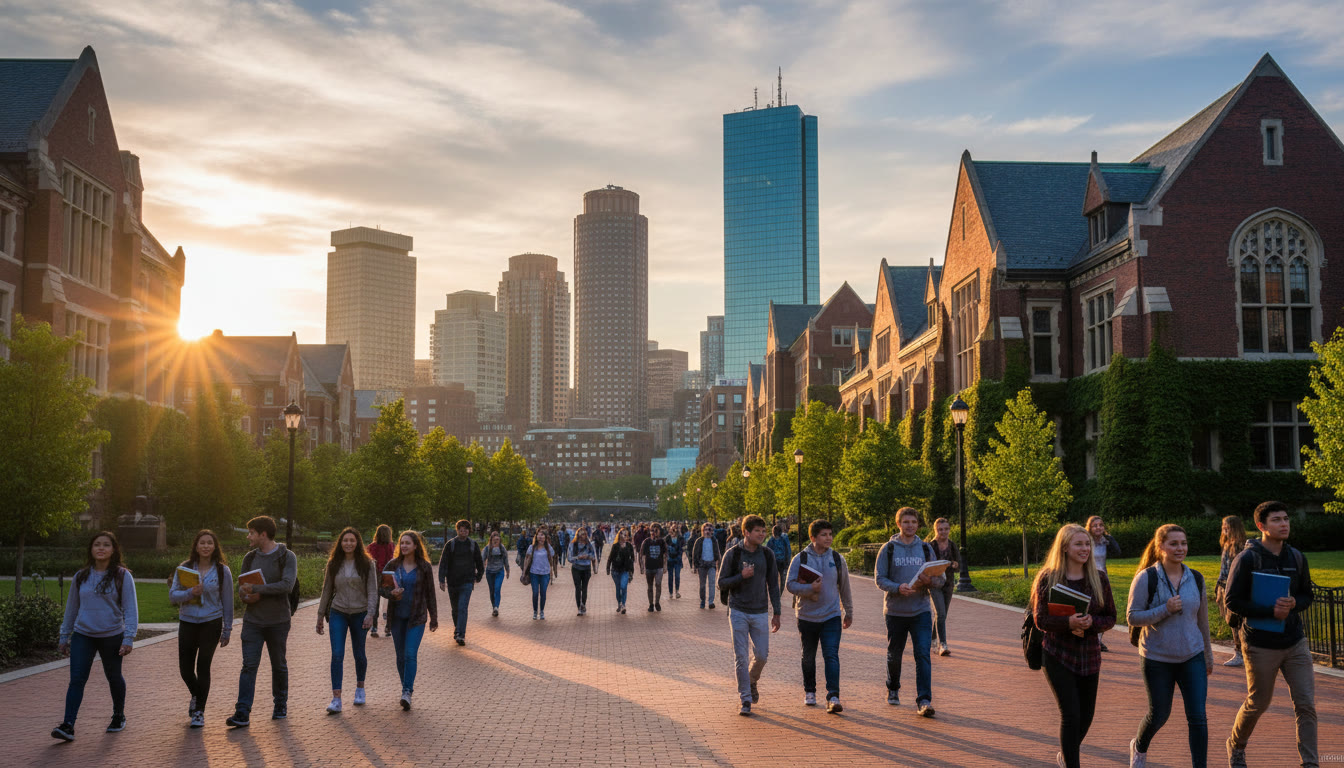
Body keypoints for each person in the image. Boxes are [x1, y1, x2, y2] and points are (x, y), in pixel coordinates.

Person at [1224, 501, 1317, 768]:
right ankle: (1236, 744)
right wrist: (1270, 610)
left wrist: (1293, 605)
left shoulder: (1297, 557)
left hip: (1295, 641)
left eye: (1286, 518)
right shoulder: (1247, 558)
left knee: (1306, 705)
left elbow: (1306, 596)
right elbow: (1232, 601)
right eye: (1277, 520)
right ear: (1261, 526)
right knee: (1258, 703)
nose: (1284, 523)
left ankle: (1310, 763)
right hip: (1260, 644)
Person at [1126, 524, 1213, 768]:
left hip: (1192, 656)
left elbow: (1202, 620)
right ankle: (1139, 747)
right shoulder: (1147, 577)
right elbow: (1132, 617)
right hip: (1157, 658)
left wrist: (1208, 654)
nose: (1180, 548)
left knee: (1198, 718)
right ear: (1160, 546)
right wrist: (1165, 609)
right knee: (1159, 715)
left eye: (1183, 543)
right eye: (1173, 544)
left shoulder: (1195, 577)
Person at [1031, 523, 1117, 768]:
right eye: (1079, 544)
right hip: (1057, 653)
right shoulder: (1049, 578)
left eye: (1087, 543)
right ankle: (1072, 763)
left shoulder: (1098, 578)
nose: (1085, 548)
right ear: (1065, 547)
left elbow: (1111, 617)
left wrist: (1092, 623)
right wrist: (1068, 622)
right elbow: (1041, 620)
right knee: (1071, 715)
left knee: (1086, 717)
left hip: (1089, 655)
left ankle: (1067, 753)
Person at [52, 531, 138, 742]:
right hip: (83, 635)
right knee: (77, 680)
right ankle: (68, 725)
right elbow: (71, 608)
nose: (101, 548)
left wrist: (128, 638)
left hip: (112, 635)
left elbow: (131, 609)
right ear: (91, 549)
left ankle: (118, 715)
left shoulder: (122, 575)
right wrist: (64, 635)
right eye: (97, 545)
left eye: (106, 545)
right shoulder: (81, 576)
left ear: (113, 549)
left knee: (113, 676)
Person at [227, 516, 298, 729]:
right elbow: (242, 587)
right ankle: (242, 712)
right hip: (253, 622)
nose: (248, 537)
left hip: (278, 621)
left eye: (251, 533)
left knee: (279, 665)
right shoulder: (249, 558)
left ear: (263, 534)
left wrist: (256, 589)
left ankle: (280, 705)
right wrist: (245, 595)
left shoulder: (287, 556)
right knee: (249, 665)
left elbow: (287, 585)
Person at [875, 507, 944, 717]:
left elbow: (941, 580)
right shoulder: (888, 548)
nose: (910, 525)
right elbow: (879, 579)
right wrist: (898, 587)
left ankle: (924, 700)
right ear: (899, 524)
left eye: (913, 522)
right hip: (895, 611)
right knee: (894, 654)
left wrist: (929, 581)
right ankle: (893, 687)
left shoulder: (925, 549)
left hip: (921, 610)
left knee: (922, 654)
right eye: (906, 522)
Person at [786, 519, 854, 714]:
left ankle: (833, 696)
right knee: (808, 655)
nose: (828, 538)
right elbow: (790, 585)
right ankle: (810, 691)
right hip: (807, 616)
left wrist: (848, 611)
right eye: (824, 535)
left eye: (830, 534)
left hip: (832, 615)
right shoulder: (801, 559)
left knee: (831, 655)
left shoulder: (838, 559)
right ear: (813, 537)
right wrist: (810, 588)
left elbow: (845, 588)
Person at [718, 514, 782, 716]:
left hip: (760, 611)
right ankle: (745, 698)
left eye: (764, 531)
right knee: (741, 657)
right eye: (758, 531)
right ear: (746, 532)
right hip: (738, 610)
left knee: (762, 655)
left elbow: (773, 584)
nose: (762, 534)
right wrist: (741, 576)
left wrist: (777, 612)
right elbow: (721, 583)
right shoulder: (733, 554)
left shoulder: (767, 554)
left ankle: (752, 680)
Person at [170, 529, 233, 728]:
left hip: (211, 622)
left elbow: (228, 601)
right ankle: (197, 695)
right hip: (188, 622)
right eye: (202, 543)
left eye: (209, 543)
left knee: (203, 666)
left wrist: (227, 629)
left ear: (215, 547)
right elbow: (173, 596)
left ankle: (199, 712)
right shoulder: (185, 568)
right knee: (185, 670)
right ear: (196, 546)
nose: (206, 546)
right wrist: (190, 592)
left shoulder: (223, 571)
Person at [316, 527, 378, 714]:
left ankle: (360, 688)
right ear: (340, 543)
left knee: (359, 653)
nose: (348, 543)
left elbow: (373, 591)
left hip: (360, 613)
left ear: (358, 543)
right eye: (345, 540)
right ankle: (336, 699)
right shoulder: (334, 563)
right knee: (337, 654)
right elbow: (326, 590)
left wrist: (370, 614)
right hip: (338, 611)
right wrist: (320, 616)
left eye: (352, 540)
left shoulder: (367, 564)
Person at [382, 530, 438, 710]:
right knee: (400, 656)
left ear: (415, 545)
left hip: (417, 617)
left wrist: (434, 617)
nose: (404, 546)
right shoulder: (393, 565)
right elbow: (382, 589)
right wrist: (391, 593)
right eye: (402, 543)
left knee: (410, 653)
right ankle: (404, 688)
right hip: (397, 617)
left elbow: (430, 593)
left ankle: (407, 691)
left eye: (408, 543)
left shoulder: (424, 567)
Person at [437, 520, 484, 646]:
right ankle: (458, 629)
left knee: (462, 607)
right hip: (452, 581)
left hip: (467, 582)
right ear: (457, 530)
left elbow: (480, 562)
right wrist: (441, 579)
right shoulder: (450, 544)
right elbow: (443, 562)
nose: (463, 532)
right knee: (455, 609)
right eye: (461, 529)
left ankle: (460, 634)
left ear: (469, 531)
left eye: (466, 529)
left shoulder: (473, 545)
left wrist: (478, 576)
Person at [1216, 515, 1249, 667]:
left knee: (1235, 621)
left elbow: (1233, 570)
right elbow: (1224, 569)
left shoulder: (1238, 546)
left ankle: (1240, 652)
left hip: (1233, 588)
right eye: (1223, 527)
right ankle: (1241, 651)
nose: (1224, 530)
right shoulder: (1228, 544)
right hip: (1226, 586)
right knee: (1233, 621)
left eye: (1227, 527)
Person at [1086, 515, 1121, 652]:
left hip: (1102, 578)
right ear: (1090, 527)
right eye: (1095, 525)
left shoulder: (1106, 541)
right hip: (1088, 578)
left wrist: (1110, 539)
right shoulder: (1086, 540)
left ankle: (1098, 640)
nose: (1098, 527)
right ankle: (1090, 637)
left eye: (1101, 525)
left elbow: (1118, 552)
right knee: (1089, 608)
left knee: (1102, 608)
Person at [925, 518, 960, 657]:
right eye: (940, 529)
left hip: (948, 584)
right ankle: (943, 644)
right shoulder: (930, 546)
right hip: (934, 584)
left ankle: (932, 639)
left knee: (942, 614)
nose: (943, 532)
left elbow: (959, 565)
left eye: (946, 529)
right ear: (935, 530)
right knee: (941, 613)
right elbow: (925, 565)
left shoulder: (952, 545)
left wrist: (955, 565)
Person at [366, 525, 395, 638]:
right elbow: (393, 559)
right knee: (391, 600)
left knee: (375, 601)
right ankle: (388, 627)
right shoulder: (392, 545)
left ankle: (374, 627)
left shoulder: (372, 546)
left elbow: (369, 561)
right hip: (389, 575)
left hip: (375, 575)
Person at [523, 530, 558, 620]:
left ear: (545, 538)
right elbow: (527, 560)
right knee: (535, 593)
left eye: (542, 535)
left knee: (543, 593)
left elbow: (552, 559)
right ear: (536, 537)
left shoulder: (548, 548)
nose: (540, 537)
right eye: (539, 535)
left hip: (545, 573)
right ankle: (535, 611)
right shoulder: (532, 547)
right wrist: (524, 572)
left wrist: (552, 571)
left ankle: (541, 611)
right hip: (534, 573)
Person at [692, 522, 723, 609]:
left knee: (712, 583)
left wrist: (718, 563)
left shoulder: (714, 540)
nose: (708, 531)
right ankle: (702, 601)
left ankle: (711, 602)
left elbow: (718, 552)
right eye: (706, 529)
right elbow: (695, 553)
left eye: (709, 529)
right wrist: (695, 566)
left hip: (711, 564)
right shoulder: (699, 541)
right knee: (702, 585)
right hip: (702, 565)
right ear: (703, 530)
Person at [640, 523, 669, 612]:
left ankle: (657, 602)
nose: (654, 532)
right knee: (650, 586)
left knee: (658, 584)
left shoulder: (661, 542)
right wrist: (642, 567)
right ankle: (651, 604)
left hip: (659, 567)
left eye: (656, 530)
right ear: (650, 531)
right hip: (649, 567)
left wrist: (665, 566)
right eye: (652, 530)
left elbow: (665, 554)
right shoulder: (646, 542)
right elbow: (642, 555)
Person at [606, 527, 636, 614]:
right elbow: (610, 558)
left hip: (625, 570)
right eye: (622, 534)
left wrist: (631, 571)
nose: (624, 536)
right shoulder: (615, 546)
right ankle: (619, 603)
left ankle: (623, 605)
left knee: (624, 587)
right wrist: (608, 568)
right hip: (615, 570)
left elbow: (632, 559)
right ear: (619, 535)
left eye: (625, 534)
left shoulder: (629, 546)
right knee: (618, 588)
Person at [482, 531, 511, 617]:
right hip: (490, 572)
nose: (496, 541)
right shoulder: (487, 549)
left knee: (497, 589)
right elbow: (482, 559)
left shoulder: (502, 548)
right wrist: (480, 569)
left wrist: (507, 570)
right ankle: (494, 606)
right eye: (494, 540)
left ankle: (496, 607)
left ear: (499, 540)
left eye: (497, 539)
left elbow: (506, 559)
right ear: (491, 540)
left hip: (499, 571)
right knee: (492, 590)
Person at [570, 528, 596, 616]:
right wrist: (578, 557)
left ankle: (583, 605)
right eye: (581, 534)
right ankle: (579, 607)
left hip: (586, 568)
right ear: (577, 535)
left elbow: (593, 556)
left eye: (584, 534)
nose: (583, 536)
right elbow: (569, 558)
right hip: (576, 568)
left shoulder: (589, 545)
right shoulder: (573, 545)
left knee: (584, 588)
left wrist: (587, 556)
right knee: (578, 587)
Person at [768, 524, 792, 599]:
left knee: (776, 579)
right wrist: (788, 560)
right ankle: (779, 594)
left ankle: (778, 594)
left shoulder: (772, 539)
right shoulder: (784, 537)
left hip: (777, 562)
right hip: (781, 561)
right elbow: (788, 549)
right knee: (782, 579)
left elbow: (767, 549)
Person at [665, 523, 685, 600]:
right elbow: (664, 547)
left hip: (677, 559)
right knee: (670, 577)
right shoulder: (667, 538)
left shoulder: (680, 538)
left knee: (677, 576)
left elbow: (683, 547)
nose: (674, 529)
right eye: (673, 528)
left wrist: (680, 554)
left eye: (676, 528)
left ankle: (677, 591)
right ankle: (670, 592)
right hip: (670, 559)